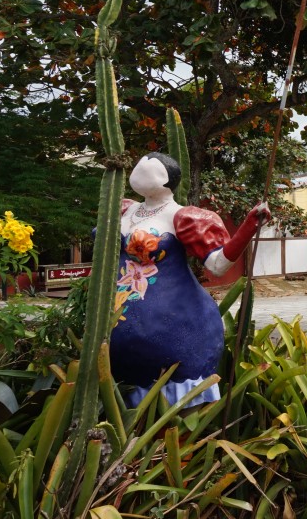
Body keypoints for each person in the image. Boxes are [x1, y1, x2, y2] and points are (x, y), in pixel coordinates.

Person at [111, 152, 269, 408]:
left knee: (175, 416)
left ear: (167, 180)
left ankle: (175, 445)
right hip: (119, 334)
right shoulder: (125, 209)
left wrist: (248, 228)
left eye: (151, 166)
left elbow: (217, 265)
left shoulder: (183, 217)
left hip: (177, 330)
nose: (142, 165)